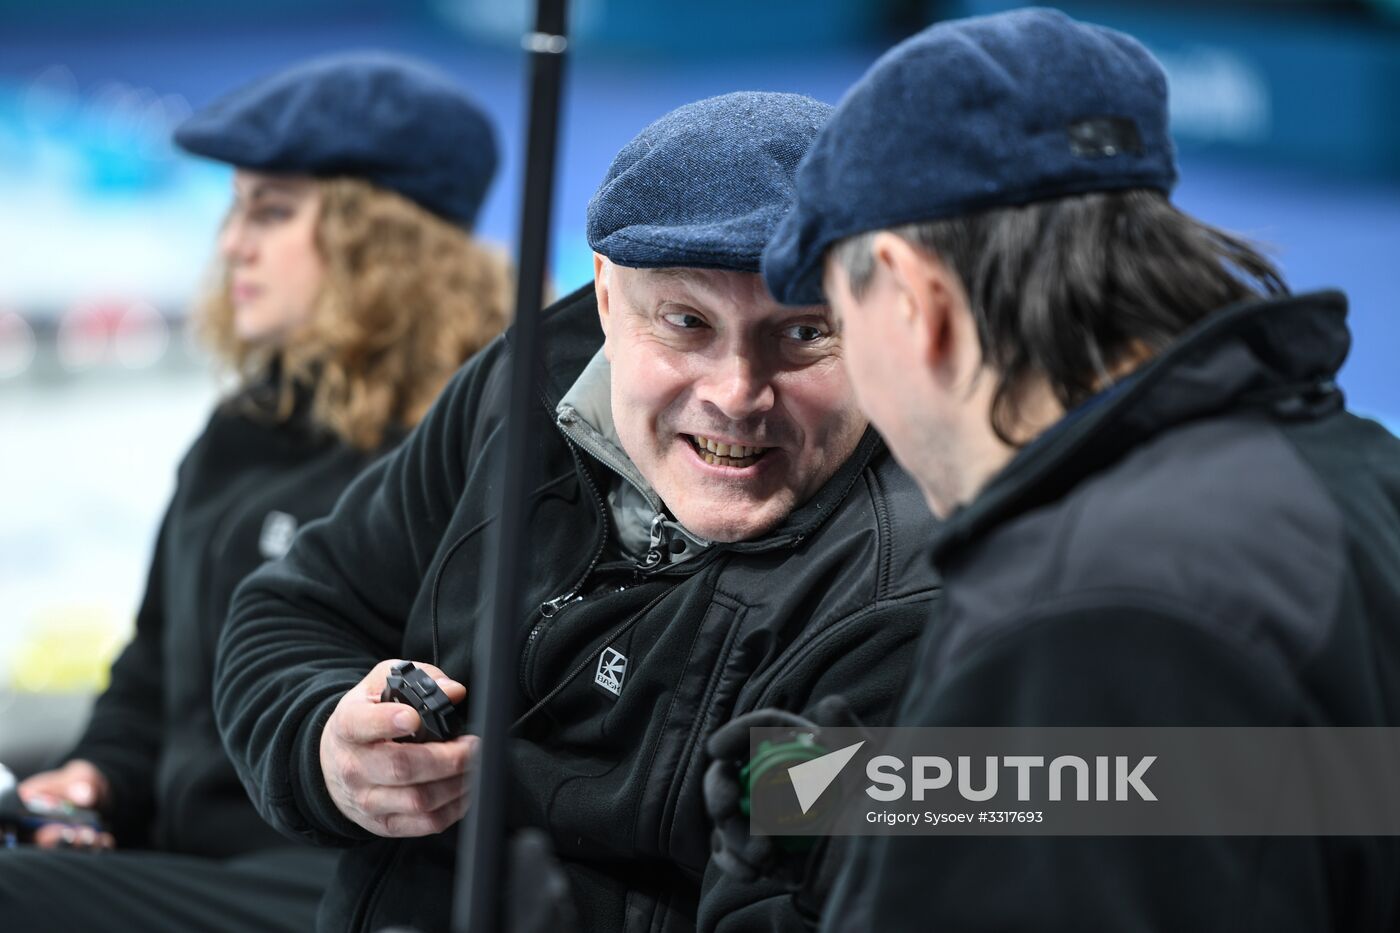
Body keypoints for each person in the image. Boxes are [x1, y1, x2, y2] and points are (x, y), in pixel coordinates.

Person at [212, 91, 942, 933]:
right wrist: (324, 750)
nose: (737, 394)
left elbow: (797, 890)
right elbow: (296, 608)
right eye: (686, 321)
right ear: (605, 302)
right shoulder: (520, 386)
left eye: (806, 333)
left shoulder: (898, 592)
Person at [755, 7, 1400, 931]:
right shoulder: (1357, 474)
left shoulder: (1078, 612)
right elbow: (1265, 789)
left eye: (839, 329)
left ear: (914, 297)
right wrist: (805, 795)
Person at [0, 51, 511, 932]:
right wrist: (93, 780)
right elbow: (152, 669)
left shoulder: (467, 458)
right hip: (178, 864)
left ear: (381, 246)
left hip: (343, 878)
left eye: (269, 212)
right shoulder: (239, 435)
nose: (232, 243)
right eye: (234, 210)